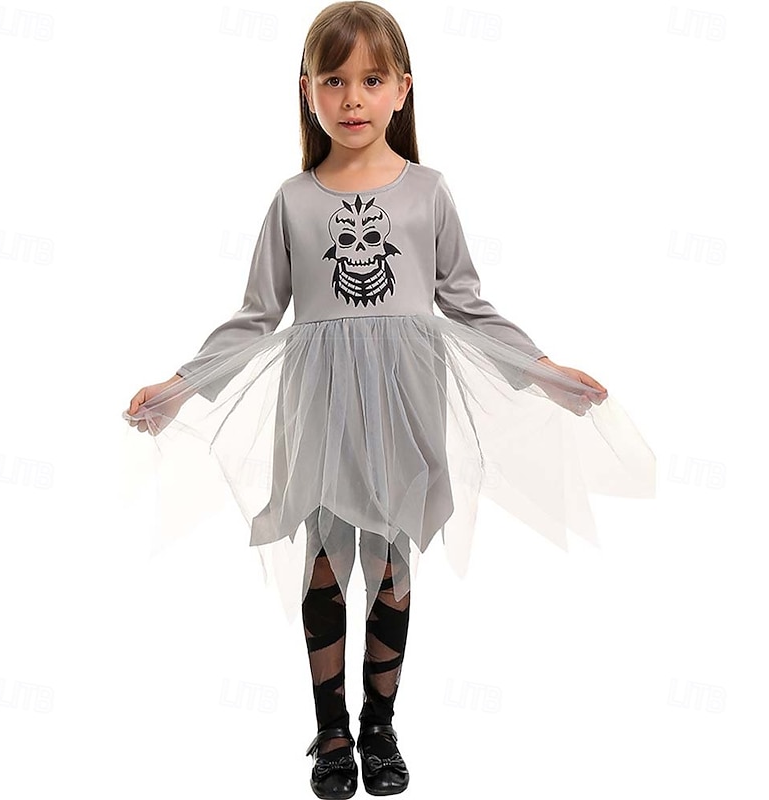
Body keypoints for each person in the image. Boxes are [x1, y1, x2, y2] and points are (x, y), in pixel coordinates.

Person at [122, 2, 656, 797]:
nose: (352, 99)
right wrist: (180, 385)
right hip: (320, 404)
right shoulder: (293, 200)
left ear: (403, 89)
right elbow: (257, 314)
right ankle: (331, 733)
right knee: (324, 562)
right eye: (334, 81)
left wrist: (545, 369)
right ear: (307, 90)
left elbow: (466, 302)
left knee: (392, 562)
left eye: (371, 80)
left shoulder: (428, 192)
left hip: (405, 401)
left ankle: (380, 726)